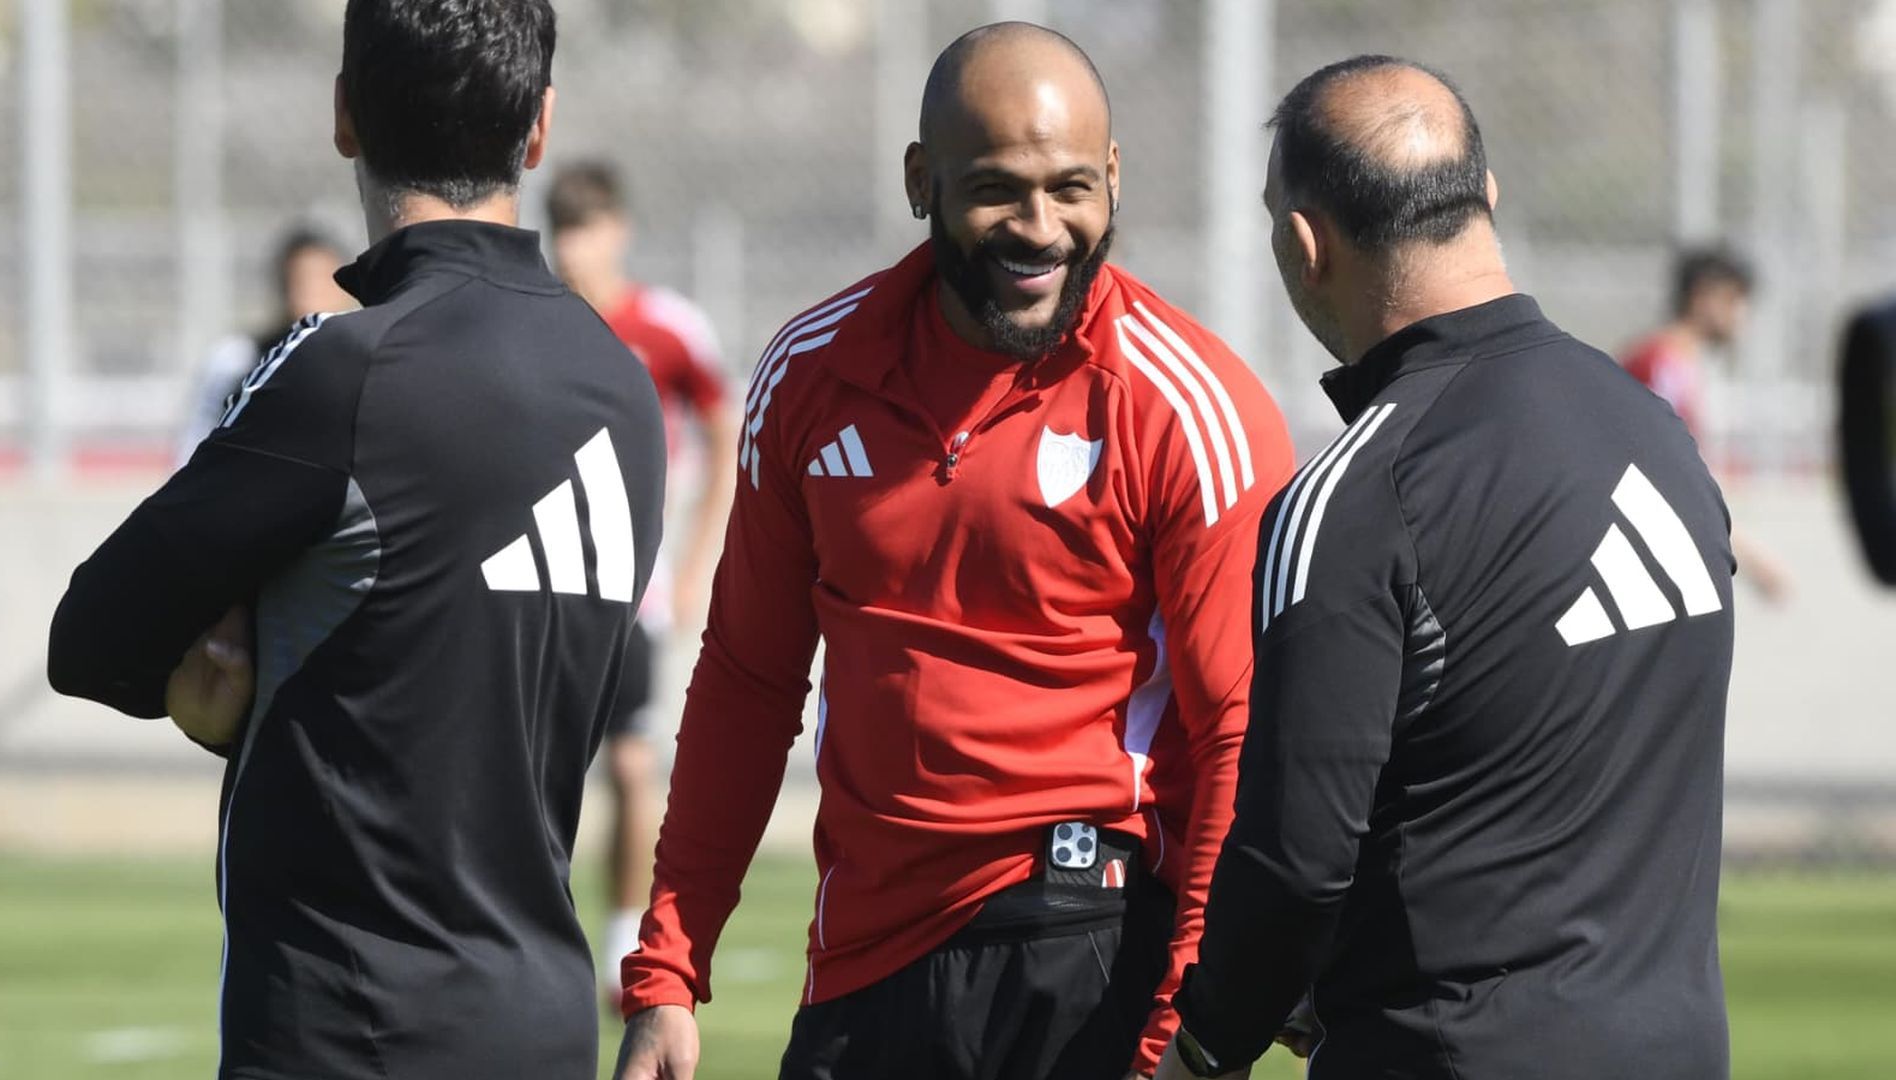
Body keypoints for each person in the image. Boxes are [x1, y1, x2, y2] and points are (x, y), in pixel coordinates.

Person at [616, 21, 1294, 1080]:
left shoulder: (1185, 405)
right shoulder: (807, 376)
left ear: (1114, 178)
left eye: (1072, 187)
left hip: (1087, 935)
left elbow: (1237, 740)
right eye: (996, 191)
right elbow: (748, 680)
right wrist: (667, 969)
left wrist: (1177, 1035)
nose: (1040, 228)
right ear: (920, 180)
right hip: (866, 964)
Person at [47, 3, 666, 1078]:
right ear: (541, 128)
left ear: (345, 115)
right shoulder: (623, 389)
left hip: (348, 1031)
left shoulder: (345, 370)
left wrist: (219, 676)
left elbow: (91, 637)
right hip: (546, 1028)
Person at [1158, 56, 1735, 1080]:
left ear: (1303, 242)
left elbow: (1294, 860)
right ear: (1488, 198)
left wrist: (1202, 1045)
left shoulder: (1358, 494)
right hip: (1678, 1049)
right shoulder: (1655, 435)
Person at [544, 162, 737, 999]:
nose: (574, 248)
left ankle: (626, 934)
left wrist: (695, 565)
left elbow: (725, 438)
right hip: (538, 585)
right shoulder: (534, 322)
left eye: (587, 228)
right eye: (563, 229)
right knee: (532, 767)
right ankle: (533, 939)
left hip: (632, 593)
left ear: (617, 230)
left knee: (630, 767)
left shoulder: (665, 328)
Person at [1620, 247, 1791, 601]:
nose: (1742, 313)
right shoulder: (1661, 364)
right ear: (1703, 296)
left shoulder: (1678, 362)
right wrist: (1751, 556)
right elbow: (1667, 479)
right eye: (1734, 299)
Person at [176, 225, 357, 463]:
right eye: (302, 279)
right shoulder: (238, 358)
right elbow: (194, 443)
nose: (311, 291)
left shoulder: (367, 359)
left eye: (322, 279)